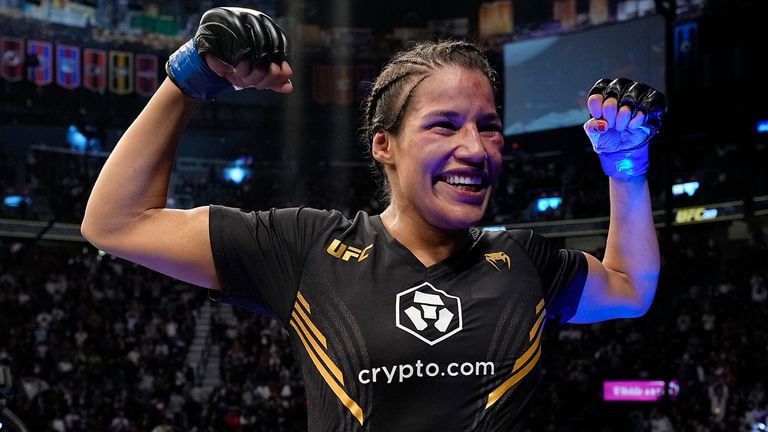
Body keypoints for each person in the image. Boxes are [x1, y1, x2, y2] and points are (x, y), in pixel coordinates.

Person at [81, 7, 664, 431]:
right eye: (444, 125)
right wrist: (188, 79)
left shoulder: (524, 259)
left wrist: (625, 167)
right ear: (384, 145)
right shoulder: (306, 247)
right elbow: (116, 223)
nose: (475, 146)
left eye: (487, 125)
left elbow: (631, 287)